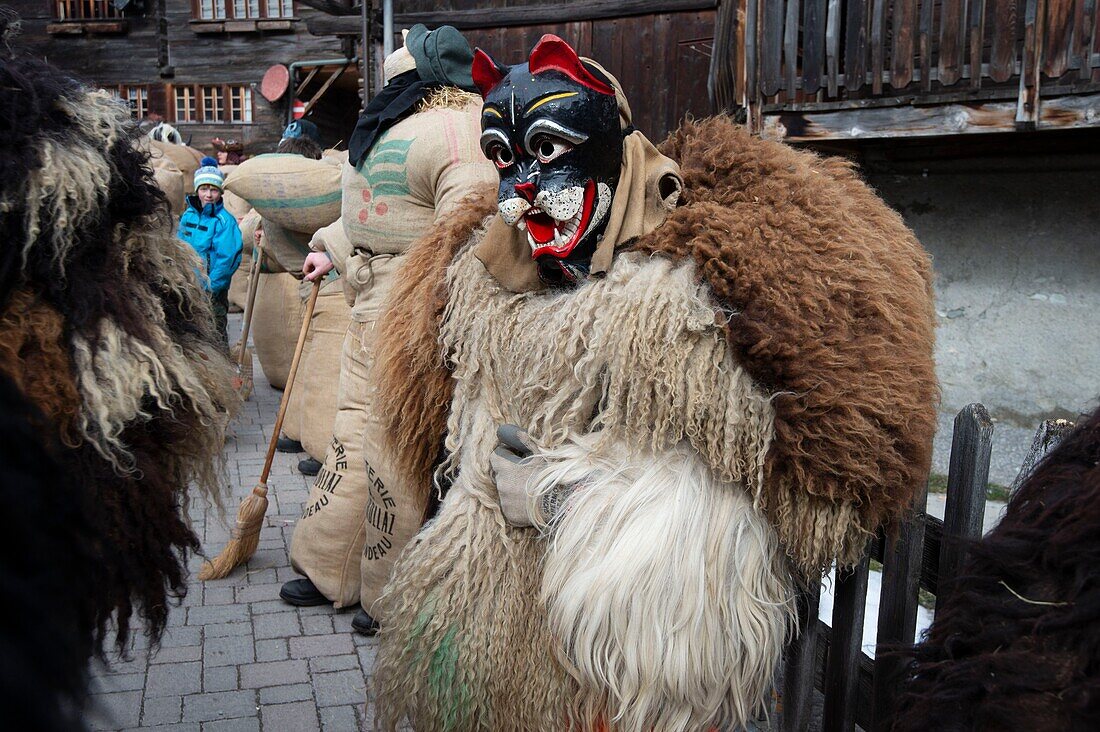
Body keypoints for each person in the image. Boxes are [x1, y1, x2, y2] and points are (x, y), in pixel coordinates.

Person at [367, 36, 939, 731]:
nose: (520, 194)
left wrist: (564, 500)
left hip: (610, 655)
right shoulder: (483, 292)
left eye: (547, 153)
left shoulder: (686, 312)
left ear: (614, 149)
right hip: (498, 619)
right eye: (503, 159)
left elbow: (732, 487)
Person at [280, 24, 497, 637]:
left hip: (409, 311)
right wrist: (332, 245)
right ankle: (330, 570)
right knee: (351, 430)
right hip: (366, 297)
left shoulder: (461, 132)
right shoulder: (392, 132)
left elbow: (466, 227)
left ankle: (389, 594)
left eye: (396, 77)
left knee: (395, 449)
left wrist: (430, 310)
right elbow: (377, 213)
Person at [177, 157, 243, 347]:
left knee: (214, 330)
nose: (208, 195)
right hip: (188, 285)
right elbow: (180, 246)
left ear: (220, 192)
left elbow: (227, 258)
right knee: (190, 331)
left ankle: (222, 369)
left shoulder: (224, 221)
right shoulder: (188, 216)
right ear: (197, 190)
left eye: (213, 190)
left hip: (211, 289)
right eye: (204, 189)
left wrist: (211, 285)